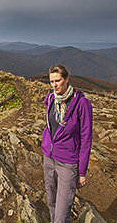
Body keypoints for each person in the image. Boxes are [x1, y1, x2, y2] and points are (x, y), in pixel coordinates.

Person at [42, 65, 93, 223]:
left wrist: (82, 172)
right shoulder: (51, 98)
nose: (55, 85)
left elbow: (86, 138)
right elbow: (51, 125)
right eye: (52, 81)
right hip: (48, 159)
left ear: (67, 79)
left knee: (62, 212)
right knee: (51, 202)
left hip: (67, 163)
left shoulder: (82, 104)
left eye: (58, 80)